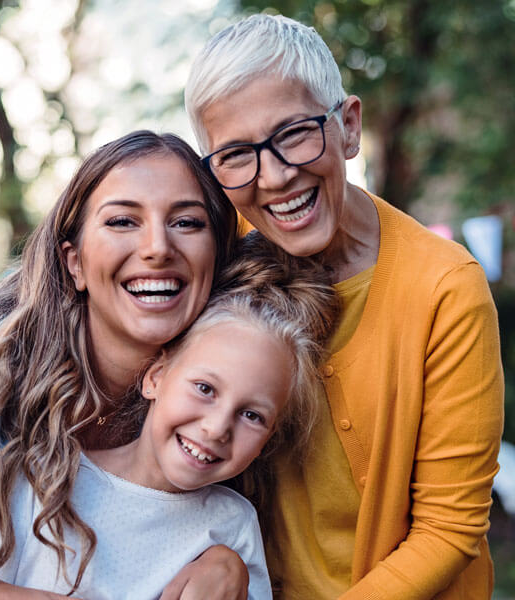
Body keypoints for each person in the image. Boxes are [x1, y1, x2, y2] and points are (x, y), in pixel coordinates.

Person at [185, 13, 504, 600]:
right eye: (236, 155)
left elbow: (449, 527)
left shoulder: (444, 288)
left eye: (294, 134)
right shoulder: (213, 261)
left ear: (348, 126)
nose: (275, 177)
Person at [0, 130, 240, 599]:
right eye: (124, 221)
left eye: (187, 223)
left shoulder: (217, 406)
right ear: (75, 263)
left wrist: (225, 557)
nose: (157, 247)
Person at [0, 233, 339, 600]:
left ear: (269, 437)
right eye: (205, 389)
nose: (217, 427)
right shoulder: (45, 474)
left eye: (253, 415)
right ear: (156, 377)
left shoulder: (232, 525)